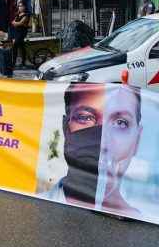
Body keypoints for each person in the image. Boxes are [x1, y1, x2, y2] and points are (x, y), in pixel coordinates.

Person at [42, 83, 143, 218]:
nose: (102, 141)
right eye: (85, 117)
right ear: (66, 127)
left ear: (137, 140)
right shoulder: (40, 205)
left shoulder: (150, 220)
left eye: (120, 122)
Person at [11, 1, 30, 68]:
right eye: (19, 6)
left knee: (15, 46)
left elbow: (20, 23)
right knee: (22, 47)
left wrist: (15, 23)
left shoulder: (26, 15)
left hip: (22, 33)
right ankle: (23, 62)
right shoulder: (17, 14)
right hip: (16, 32)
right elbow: (13, 22)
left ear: (24, 7)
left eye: (21, 6)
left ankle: (13, 63)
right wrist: (15, 23)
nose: (20, 7)